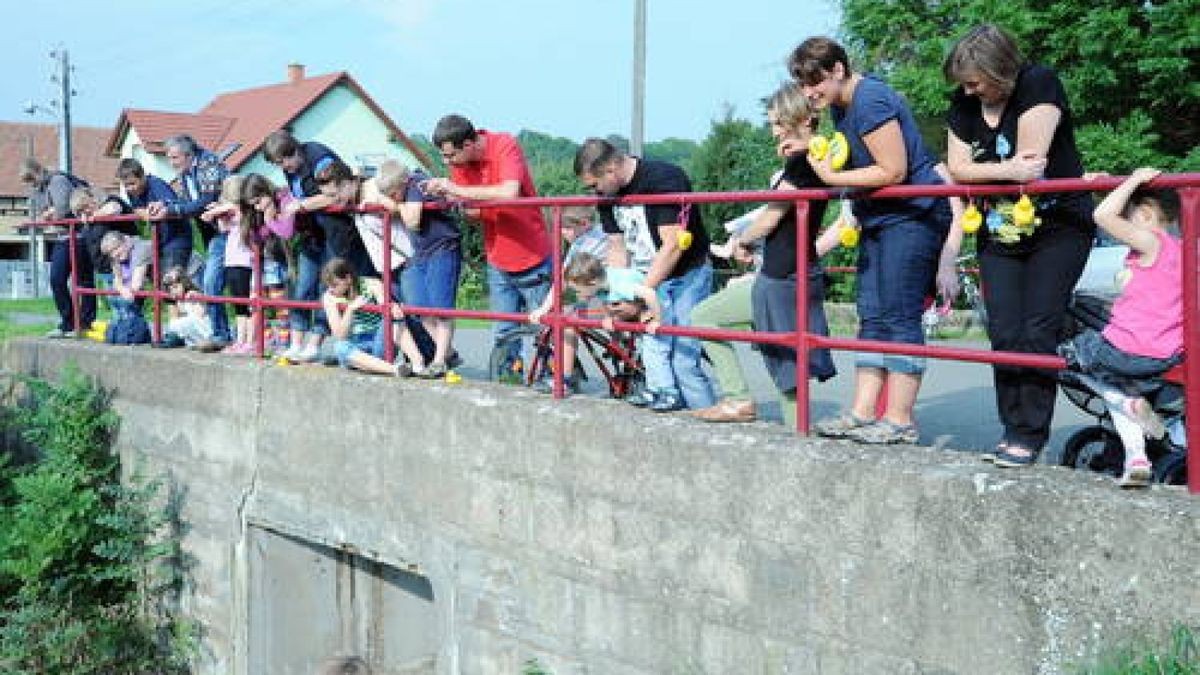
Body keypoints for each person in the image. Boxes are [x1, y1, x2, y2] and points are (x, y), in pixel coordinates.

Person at [790, 36, 958, 444]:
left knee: (900, 316)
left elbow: (893, 170)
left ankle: (899, 420)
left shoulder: (871, 100)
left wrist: (832, 179)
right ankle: (864, 412)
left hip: (913, 216)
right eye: (803, 84)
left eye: (815, 82)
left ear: (838, 70)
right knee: (872, 313)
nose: (809, 92)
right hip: (881, 219)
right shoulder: (840, 106)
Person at [943, 24, 1095, 466]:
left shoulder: (1037, 82)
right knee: (1005, 332)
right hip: (998, 230)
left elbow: (1034, 161)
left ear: (1000, 70)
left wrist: (987, 170)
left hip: (1058, 226)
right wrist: (1006, 170)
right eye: (963, 84)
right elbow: (958, 168)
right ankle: (1011, 428)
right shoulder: (963, 101)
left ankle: (1030, 433)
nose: (968, 92)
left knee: (1037, 329)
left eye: (975, 81)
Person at [698, 83, 845, 427]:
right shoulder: (817, 159)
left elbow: (773, 215)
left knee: (786, 363)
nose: (775, 131)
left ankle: (747, 405)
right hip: (791, 271)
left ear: (801, 119)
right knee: (784, 359)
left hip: (783, 276)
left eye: (780, 122)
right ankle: (785, 429)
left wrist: (742, 241)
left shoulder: (803, 163)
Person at [574, 138, 717, 412]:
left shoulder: (664, 178)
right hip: (647, 282)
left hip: (686, 274)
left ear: (612, 169)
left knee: (684, 358)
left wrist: (636, 297)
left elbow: (672, 246)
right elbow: (617, 248)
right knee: (655, 347)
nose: (594, 192)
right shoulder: (607, 196)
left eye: (594, 184)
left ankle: (708, 423)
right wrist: (616, 297)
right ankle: (670, 406)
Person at [1058, 169, 1181, 487]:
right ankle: (1136, 459)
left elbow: (1103, 215)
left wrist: (1130, 182)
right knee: (1126, 391)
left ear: (1145, 215)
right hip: (1165, 354)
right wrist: (1108, 183)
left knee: (1065, 359)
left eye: (1129, 218)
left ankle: (1126, 404)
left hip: (1126, 348)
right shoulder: (1184, 254)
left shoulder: (1153, 241)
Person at [424, 114, 552, 372]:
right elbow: (473, 213)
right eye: (444, 157)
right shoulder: (459, 166)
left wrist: (455, 189)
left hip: (532, 255)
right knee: (503, 333)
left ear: (469, 144)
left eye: (450, 156)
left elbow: (509, 192)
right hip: (497, 258)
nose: (447, 162)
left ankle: (557, 379)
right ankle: (505, 382)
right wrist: (454, 203)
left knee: (546, 328)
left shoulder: (504, 145)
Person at [263, 130, 369, 361]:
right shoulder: (289, 168)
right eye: (279, 164)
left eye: (284, 162)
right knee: (301, 288)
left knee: (326, 289)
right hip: (311, 233)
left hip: (335, 232)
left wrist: (301, 205)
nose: (284, 168)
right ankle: (297, 342)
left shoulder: (319, 157)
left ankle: (314, 345)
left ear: (294, 151)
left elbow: (334, 194)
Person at [371, 159, 463, 378]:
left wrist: (394, 206)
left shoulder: (417, 184)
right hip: (422, 253)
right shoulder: (405, 191)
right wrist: (396, 203)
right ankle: (448, 352)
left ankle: (440, 360)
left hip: (443, 248)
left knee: (441, 308)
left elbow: (412, 221)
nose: (393, 198)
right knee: (419, 308)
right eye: (390, 195)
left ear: (403, 182)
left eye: (394, 193)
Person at [150, 135, 230, 343]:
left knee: (222, 282)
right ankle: (220, 332)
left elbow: (206, 200)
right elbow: (187, 202)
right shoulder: (185, 173)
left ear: (188, 155)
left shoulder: (208, 162)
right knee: (212, 281)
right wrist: (165, 204)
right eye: (169, 158)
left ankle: (223, 334)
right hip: (212, 233)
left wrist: (172, 210)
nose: (171, 163)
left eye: (175, 158)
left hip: (230, 230)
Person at [523, 206, 610, 394]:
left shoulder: (588, 243)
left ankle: (565, 378)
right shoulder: (592, 236)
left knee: (566, 321)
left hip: (610, 299)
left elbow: (563, 279)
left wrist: (545, 308)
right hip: (606, 295)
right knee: (570, 310)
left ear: (584, 224)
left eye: (566, 228)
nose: (561, 233)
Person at [19, 157, 96, 338]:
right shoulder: (39, 189)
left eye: (31, 179)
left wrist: (51, 213)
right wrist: (49, 213)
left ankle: (86, 322)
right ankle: (68, 322)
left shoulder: (58, 180)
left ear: (37, 172)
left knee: (84, 280)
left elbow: (62, 209)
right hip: (63, 236)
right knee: (56, 279)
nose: (31, 185)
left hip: (80, 234)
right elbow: (42, 211)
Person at [321, 257, 425, 377]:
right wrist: (350, 310)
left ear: (348, 279)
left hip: (379, 340)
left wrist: (392, 307)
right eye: (328, 285)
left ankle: (418, 363)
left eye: (334, 285)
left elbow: (386, 305)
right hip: (357, 346)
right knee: (339, 347)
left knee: (393, 317)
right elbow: (340, 335)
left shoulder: (371, 284)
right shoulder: (329, 297)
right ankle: (394, 369)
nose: (331, 289)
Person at [116, 158, 194, 277]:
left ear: (142, 176)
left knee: (171, 280)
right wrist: (141, 212)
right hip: (159, 240)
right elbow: (137, 209)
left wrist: (161, 206)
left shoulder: (156, 185)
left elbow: (172, 203)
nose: (130, 188)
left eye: (132, 183)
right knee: (156, 278)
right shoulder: (132, 192)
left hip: (176, 239)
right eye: (125, 186)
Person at [159, 265, 216, 349]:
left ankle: (207, 341)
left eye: (175, 287)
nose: (173, 291)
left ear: (184, 283)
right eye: (170, 289)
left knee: (178, 323)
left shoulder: (191, 293)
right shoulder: (179, 300)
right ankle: (192, 341)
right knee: (174, 323)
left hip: (204, 327)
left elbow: (201, 311)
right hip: (195, 329)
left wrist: (195, 295)